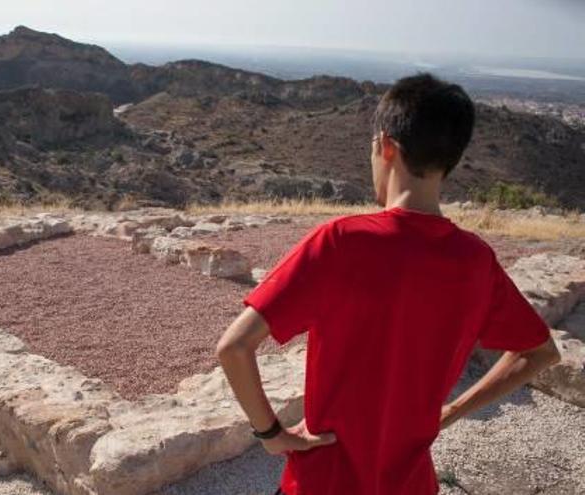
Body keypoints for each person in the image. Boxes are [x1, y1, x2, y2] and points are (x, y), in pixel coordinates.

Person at [216, 73, 562, 495]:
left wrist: (272, 435)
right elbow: (540, 352)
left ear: (386, 146)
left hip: (323, 480)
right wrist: (450, 411)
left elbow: (234, 347)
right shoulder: (476, 260)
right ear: (450, 160)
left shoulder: (342, 241)